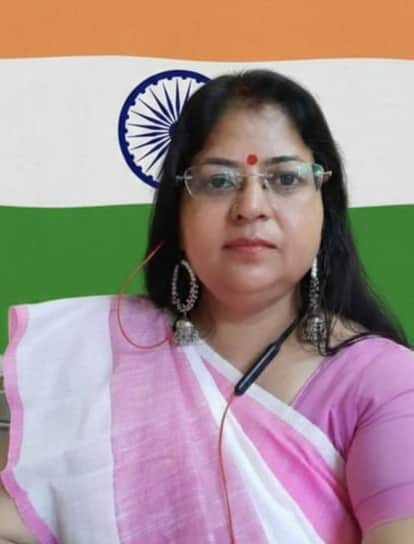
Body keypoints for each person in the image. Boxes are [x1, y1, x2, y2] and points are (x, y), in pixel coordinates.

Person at [0, 69, 413, 544]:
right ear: (178, 210)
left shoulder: (385, 384)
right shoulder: (98, 353)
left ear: (325, 206)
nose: (251, 206)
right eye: (218, 180)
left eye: (285, 178)